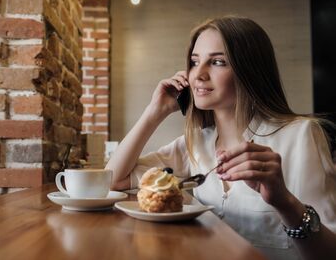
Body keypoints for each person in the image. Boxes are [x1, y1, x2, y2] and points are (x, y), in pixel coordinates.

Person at [105, 16, 336, 260]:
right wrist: (154, 112)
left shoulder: (301, 135)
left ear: (250, 70)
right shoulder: (194, 144)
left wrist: (285, 202)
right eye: (194, 62)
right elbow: (113, 180)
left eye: (217, 62)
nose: (199, 75)